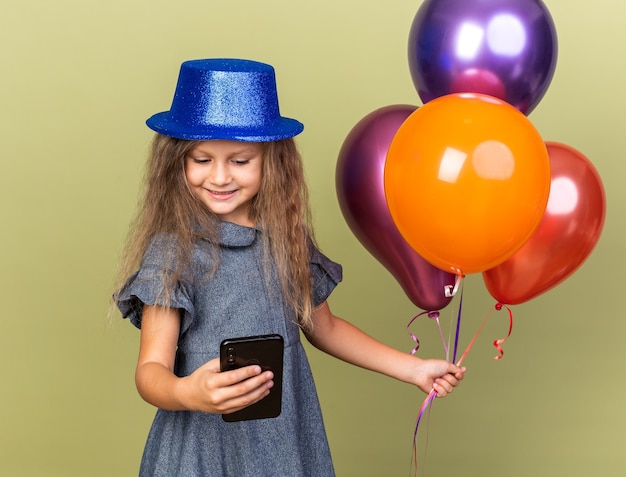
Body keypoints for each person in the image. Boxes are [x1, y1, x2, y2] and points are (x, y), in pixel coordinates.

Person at [114, 58, 465, 477]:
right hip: (203, 453)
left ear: (271, 162)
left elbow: (326, 329)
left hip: (282, 442)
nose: (220, 176)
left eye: (240, 161)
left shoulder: (287, 240)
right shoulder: (175, 253)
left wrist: (413, 368)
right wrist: (187, 391)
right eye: (201, 159)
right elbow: (149, 371)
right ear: (177, 163)